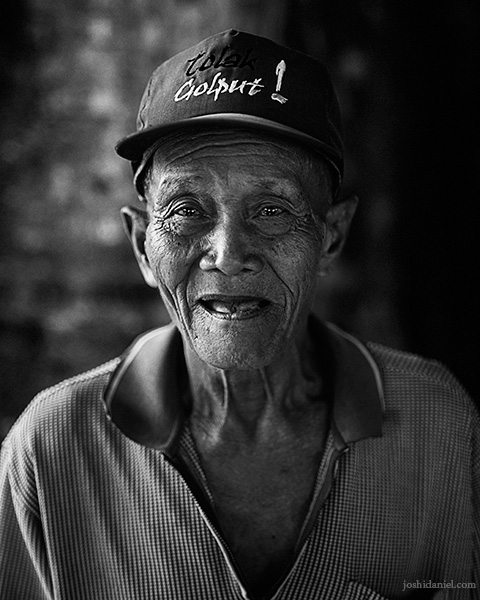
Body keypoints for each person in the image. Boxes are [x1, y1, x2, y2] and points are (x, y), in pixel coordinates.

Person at [0, 29, 478, 600]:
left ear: (330, 238)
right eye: (186, 210)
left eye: (272, 210)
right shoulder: (54, 445)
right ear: (140, 245)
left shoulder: (437, 422)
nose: (227, 254)